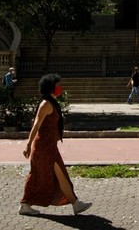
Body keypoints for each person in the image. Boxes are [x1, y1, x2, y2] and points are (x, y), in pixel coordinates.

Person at [19, 73, 92, 217]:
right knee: (55, 175)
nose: (60, 88)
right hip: (44, 147)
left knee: (46, 176)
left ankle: (25, 204)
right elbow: (36, 124)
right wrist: (28, 144)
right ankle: (75, 204)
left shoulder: (51, 102)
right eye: (57, 85)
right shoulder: (45, 104)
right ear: (51, 87)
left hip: (49, 146)